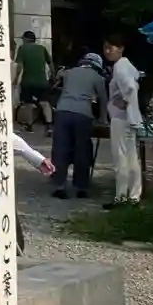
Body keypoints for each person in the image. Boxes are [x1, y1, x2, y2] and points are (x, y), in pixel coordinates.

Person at [52, 50, 107, 199]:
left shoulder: (68, 73)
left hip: (62, 112)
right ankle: (81, 187)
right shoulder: (98, 78)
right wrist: (103, 119)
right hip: (83, 114)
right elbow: (103, 100)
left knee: (61, 149)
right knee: (82, 150)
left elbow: (62, 86)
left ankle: (59, 186)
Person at [102, 34, 145, 207]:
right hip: (129, 118)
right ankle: (134, 196)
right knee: (131, 157)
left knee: (120, 157)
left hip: (120, 118)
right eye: (105, 48)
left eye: (110, 47)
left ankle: (121, 197)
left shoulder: (119, 66)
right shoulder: (127, 65)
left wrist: (125, 100)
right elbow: (136, 82)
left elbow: (131, 87)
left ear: (120, 48)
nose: (107, 51)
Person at [14, 30, 54, 127]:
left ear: (26, 39)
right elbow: (50, 63)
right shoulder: (42, 48)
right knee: (45, 103)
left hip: (28, 81)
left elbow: (19, 66)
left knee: (28, 104)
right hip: (42, 81)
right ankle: (49, 125)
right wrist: (53, 75)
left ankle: (29, 125)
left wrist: (16, 78)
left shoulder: (22, 48)